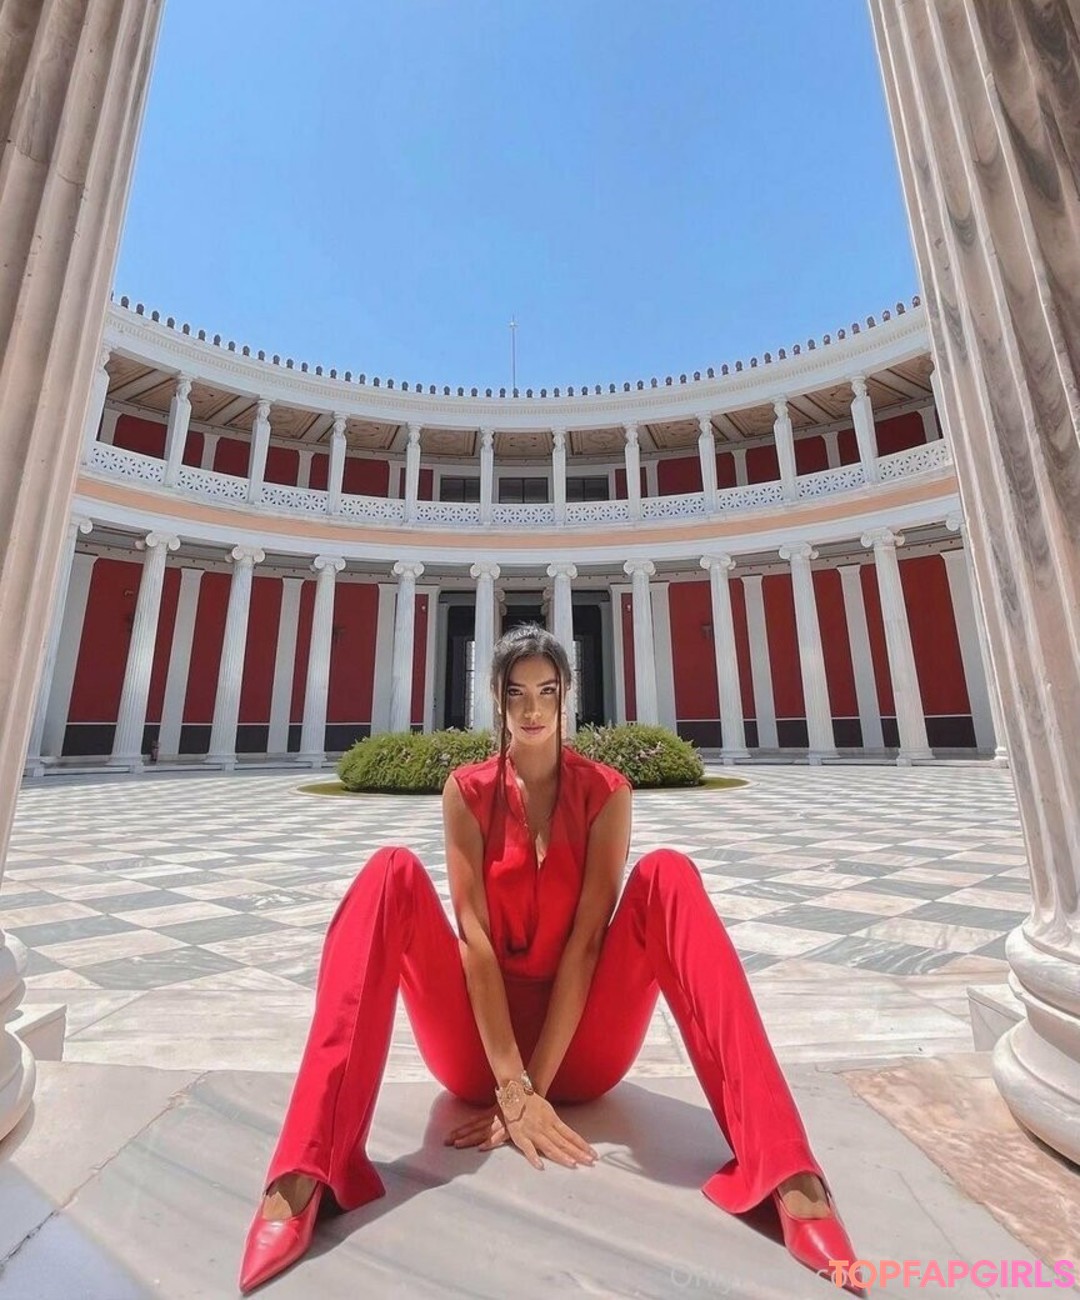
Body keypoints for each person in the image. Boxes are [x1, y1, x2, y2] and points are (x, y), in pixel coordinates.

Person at [239, 623, 864, 1296]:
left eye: (546, 691)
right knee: (388, 872)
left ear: (567, 696)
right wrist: (511, 1088)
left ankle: (788, 1174)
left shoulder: (607, 792)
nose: (532, 709)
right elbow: (474, 939)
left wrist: (535, 1091)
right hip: (478, 1054)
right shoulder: (466, 791)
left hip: (584, 1050)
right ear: (497, 700)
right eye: (516, 693)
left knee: (669, 874)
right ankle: (304, 1172)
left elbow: (590, 941)